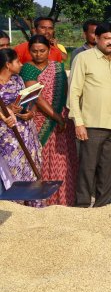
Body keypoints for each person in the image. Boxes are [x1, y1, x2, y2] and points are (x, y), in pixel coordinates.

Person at [68, 22, 111, 208]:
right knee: (87, 167)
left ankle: (103, 205)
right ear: (96, 38)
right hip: (91, 125)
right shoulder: (83, 58)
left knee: (109, 168)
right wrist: (78, 123)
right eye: (106, 38)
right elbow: (73, 92)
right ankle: (82, 205)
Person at [20, 35, 78, 206]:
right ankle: (43, 200)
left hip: (62, 119)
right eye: (34, 51)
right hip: (41, 121)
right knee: (42, 160)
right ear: (29, 51)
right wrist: (56, 117)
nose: (38, 54)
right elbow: (36, 97)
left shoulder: (58, 67)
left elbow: (65, 92)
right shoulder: (27, 69)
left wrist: (63, 117)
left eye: (42, 51)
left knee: (64, 159)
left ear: (49, 50)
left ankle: (65, 199)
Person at [0, 48, 43, 206]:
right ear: (8, 64)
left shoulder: (17, 79)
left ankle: (33, 207)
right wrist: (8, 108)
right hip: (7, 137)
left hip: (25, 131)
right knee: (12, 171)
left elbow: (27, 100)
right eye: (17, 61)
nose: (21, 64)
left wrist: (29, 111)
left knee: (31, 169)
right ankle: (15, 208)